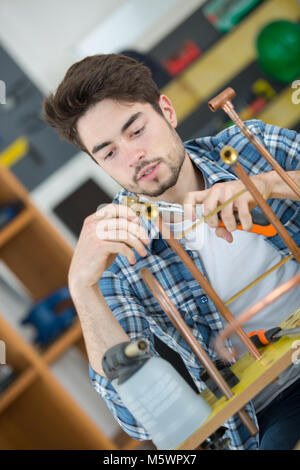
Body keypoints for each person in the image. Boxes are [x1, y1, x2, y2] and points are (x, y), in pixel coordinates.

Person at [43, 54, 300, 450]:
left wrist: (268, 185)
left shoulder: (248, 148)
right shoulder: (120, 257)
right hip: (275, 402)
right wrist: (82, 289)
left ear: (166, 111)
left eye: (137, 130)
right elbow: (141, 421)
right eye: (108, 152)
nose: (133, 157)